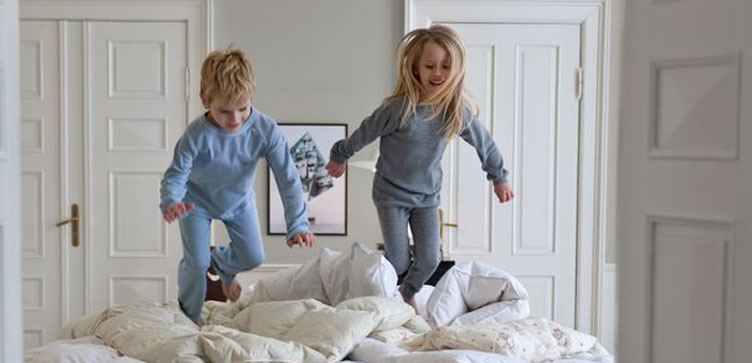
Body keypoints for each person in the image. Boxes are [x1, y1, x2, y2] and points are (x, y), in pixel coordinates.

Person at [326, 25, 514, 309]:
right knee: (399, 259)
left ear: (455, 70)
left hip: (426, 197)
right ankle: (379, 285)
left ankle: (405, 294)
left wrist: (498, 178)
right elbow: (365, 132)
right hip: (391, 195)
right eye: (430, 66)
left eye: (445, 66)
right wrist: (340, 156)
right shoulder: (399, 108)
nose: (437, 73)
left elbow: (483, 142)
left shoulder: (454, 111)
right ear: (416, 68)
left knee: (430, 259)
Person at [159, 49, 315, 324]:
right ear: (205, 100)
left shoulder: (264, 129)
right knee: (196, 264)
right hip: (195, 204)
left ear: (251, 98)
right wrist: (171, 201)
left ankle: (220, 264)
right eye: (224, 111)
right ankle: (189, 317)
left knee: (254, 256)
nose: (235, 120)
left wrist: (298, 224)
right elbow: (176, 174)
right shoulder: (196, 134)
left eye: (243, 109)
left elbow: (287, 177)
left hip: (238, 202)